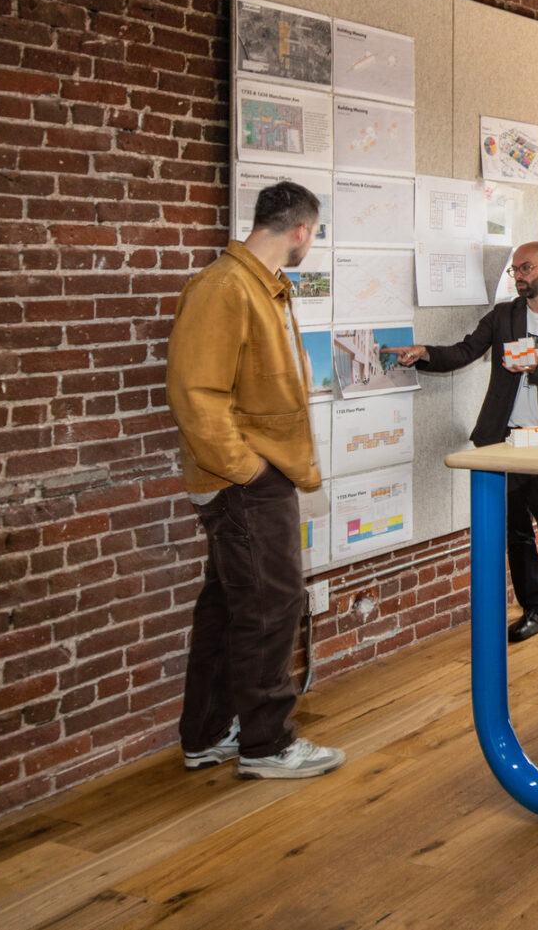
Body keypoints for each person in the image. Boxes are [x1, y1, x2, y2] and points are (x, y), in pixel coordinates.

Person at [166, 180, 345, 780]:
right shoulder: (225, 286)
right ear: (300, 231)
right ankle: (267, 746)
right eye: (314, 235)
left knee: (230, 606)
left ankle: (207, 734)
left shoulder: (262, 285)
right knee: (273, 605)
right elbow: (195, 393)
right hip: (242, 480)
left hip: (252, 476)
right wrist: (248, 469)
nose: (311, 243)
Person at [387, 242, 538, 643]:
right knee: (515, 531)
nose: (519, 277)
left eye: (526, 268)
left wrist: (537, 367)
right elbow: (465, 351)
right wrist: (424, 353)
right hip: (505, 441)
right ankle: (536, 608)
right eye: (515, 270)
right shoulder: (504, 316)